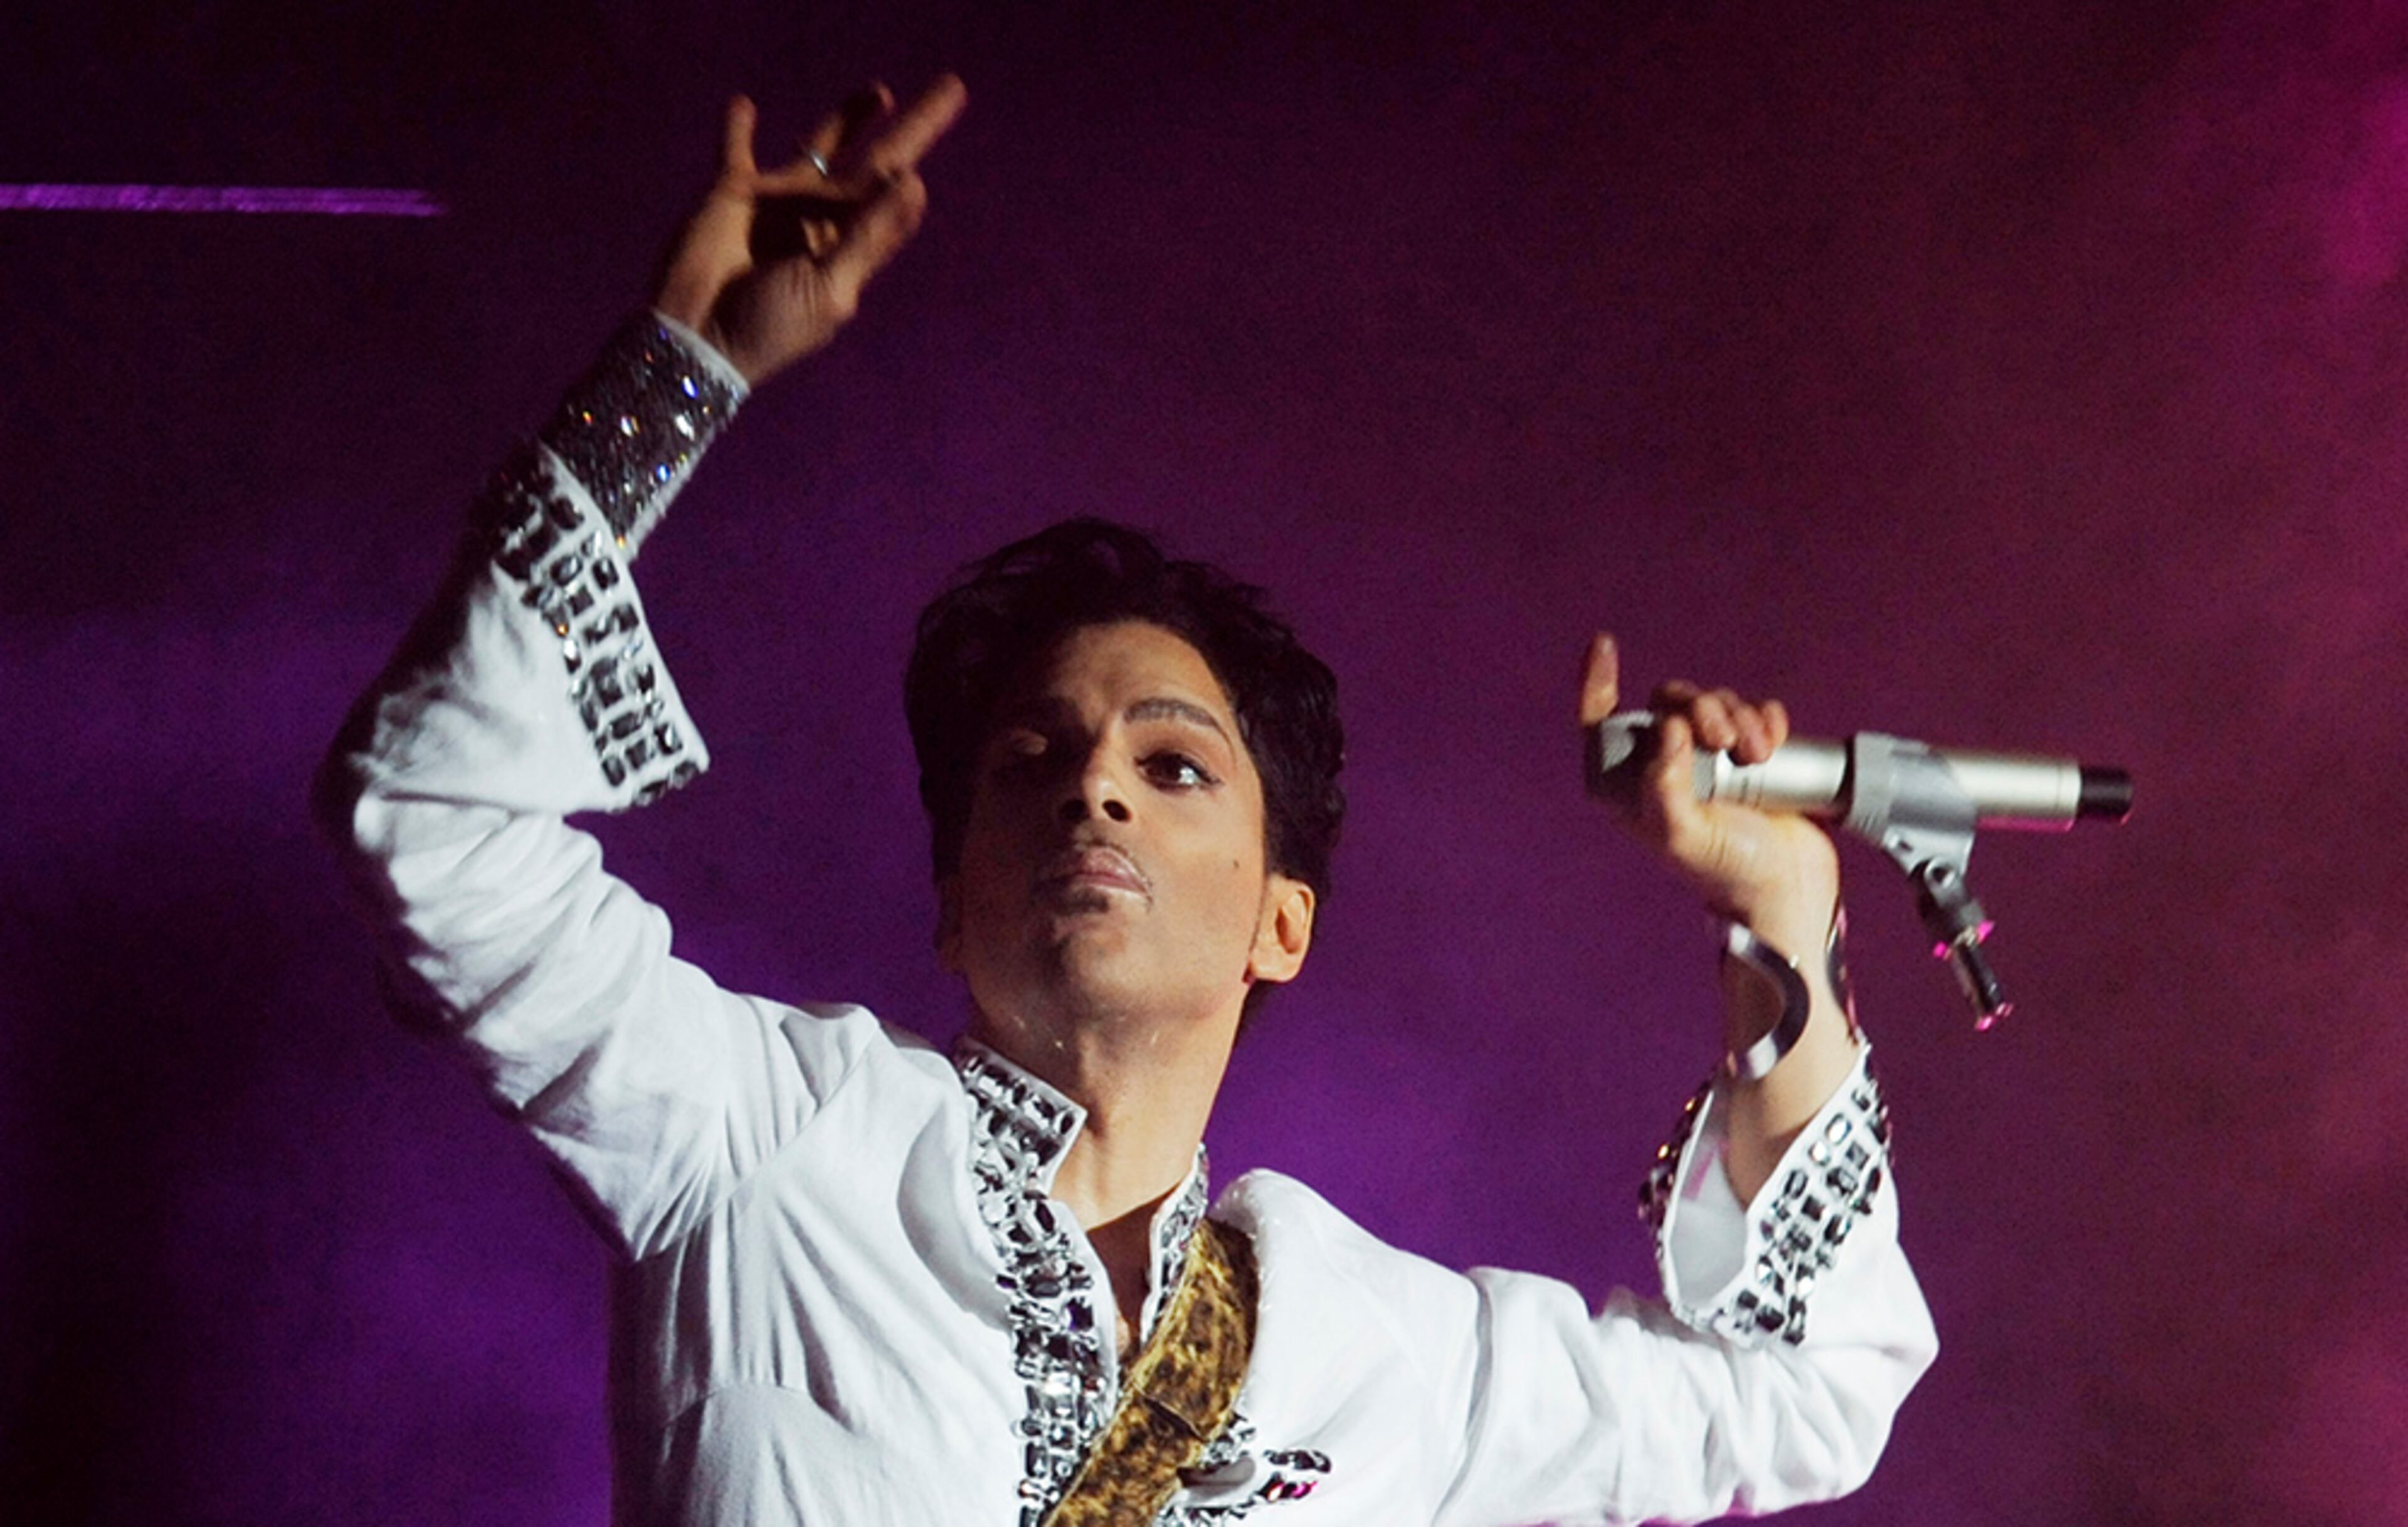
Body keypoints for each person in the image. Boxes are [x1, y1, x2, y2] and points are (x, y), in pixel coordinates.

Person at [318, 73, 1935, 1527]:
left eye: (1173, 765)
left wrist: (1777, 905)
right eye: (1032, 761)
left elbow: (1805, 1396)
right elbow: (431, 821)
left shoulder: (1383, 1357)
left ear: (1282, 924)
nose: (1095, 783)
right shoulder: (765, 1139)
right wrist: (686, 370)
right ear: (951, 897)